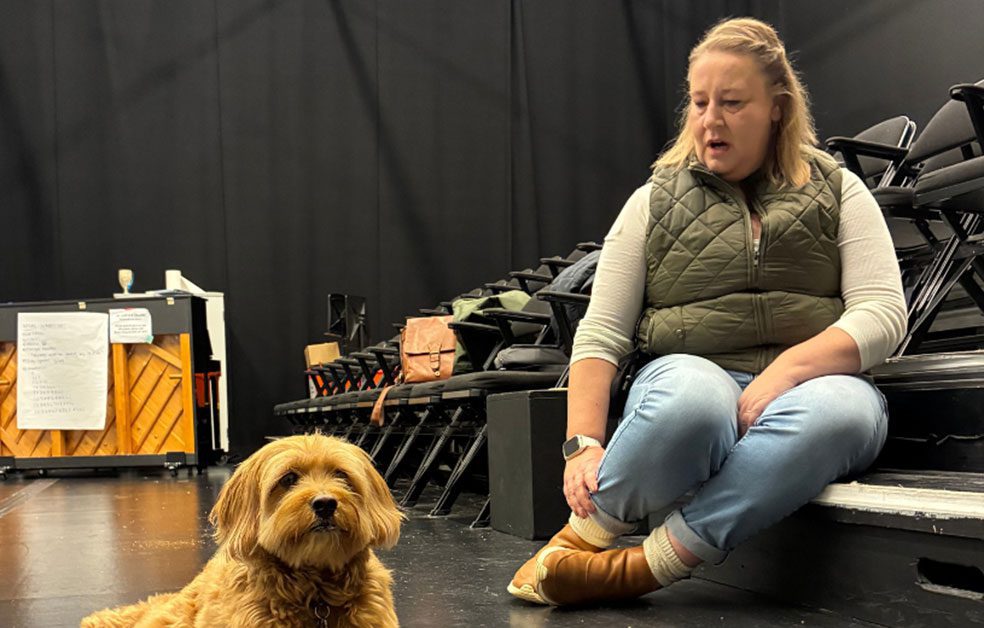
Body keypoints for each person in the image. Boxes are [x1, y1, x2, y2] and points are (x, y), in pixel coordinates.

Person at [507, 17, 907, 607]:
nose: (709, 120)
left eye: (732, 102)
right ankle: (588, 536)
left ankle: (645, 566)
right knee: (692, 404)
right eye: (698, 103)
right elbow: (602, 332)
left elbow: (882, 313)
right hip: (693, 371)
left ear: (777, 106)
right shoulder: (652, 200)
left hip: (814, 385)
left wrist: (786, 373)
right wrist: (583, 443)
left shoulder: (839, 190)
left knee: (843, 415)